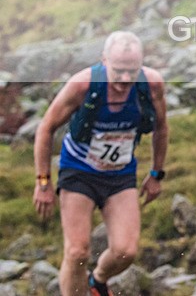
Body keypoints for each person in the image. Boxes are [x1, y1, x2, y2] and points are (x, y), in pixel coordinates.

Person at [33, 31, 168, 296]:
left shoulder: (151, 85)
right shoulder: (82, 85)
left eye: (132, 71)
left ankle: (98, 280)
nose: (125, 79)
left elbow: (161, 128)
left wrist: (156, 174)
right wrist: (43, 181)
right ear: (104, 61)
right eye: (118, 71)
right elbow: (45, 128)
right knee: (77, 252)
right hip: (79, 172)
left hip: (120, 175)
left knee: (126, 251)